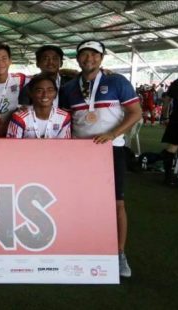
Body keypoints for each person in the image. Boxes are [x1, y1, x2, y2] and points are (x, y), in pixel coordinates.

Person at [58, 40, 142, 278]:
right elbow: (65, 118)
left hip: (110, 150)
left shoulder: (117, 82)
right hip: (79, 152)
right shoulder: (70, 88)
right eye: (84, 55)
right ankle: (82, 246)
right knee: (79, 200)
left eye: (94, 55)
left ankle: (119, 254)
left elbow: (135, 113)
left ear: (101, 58)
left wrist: (112, 134)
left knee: (117, 204)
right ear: (78, 58)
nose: (89, 59)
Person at [0, 43, 29, 136]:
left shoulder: (20, 79)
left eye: (4, 58)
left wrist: (25, 106)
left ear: (10, 61)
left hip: (13, 132)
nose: (0, 63)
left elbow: (42, 84)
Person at [7, 74, 71, 139]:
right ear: (30, 93)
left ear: (55, 94)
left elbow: (65, 146)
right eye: (39, 91)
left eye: (50, 90)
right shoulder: (19, 118)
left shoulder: (64, 117)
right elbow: (12, 147)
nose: (45, 95)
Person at [160, 78, 178, 186]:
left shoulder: (176, 82)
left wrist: (165, 117)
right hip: (176, 118)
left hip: (176, 118)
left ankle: (168, 178)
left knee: (172, 148)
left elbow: (167, 100)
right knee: (172, 148)